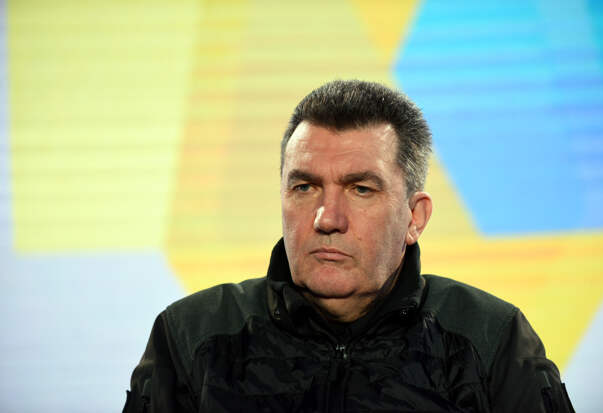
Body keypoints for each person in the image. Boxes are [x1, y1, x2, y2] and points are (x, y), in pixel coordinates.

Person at [123, 80, 574, 412]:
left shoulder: (491, 339)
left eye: (361, 189)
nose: (327, 219)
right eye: (304, 187)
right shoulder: (190, 337)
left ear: (414, 218)